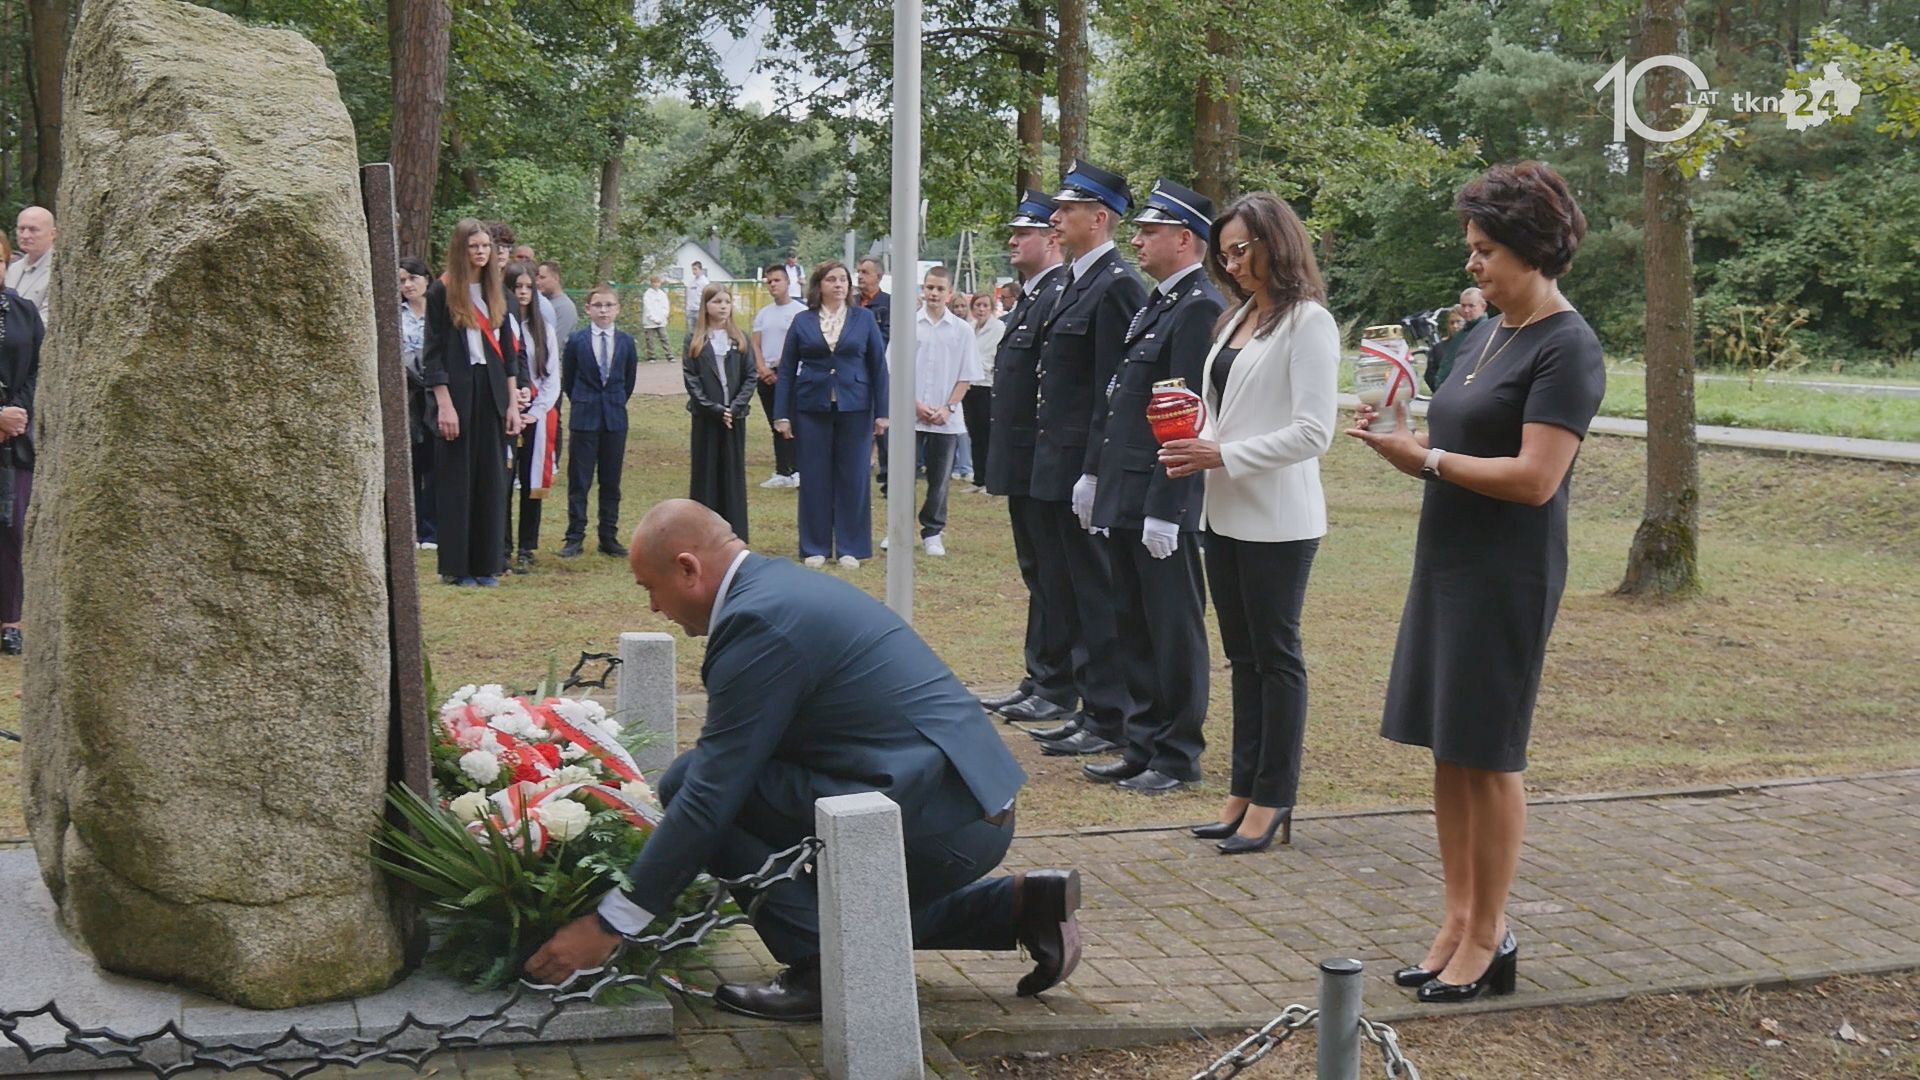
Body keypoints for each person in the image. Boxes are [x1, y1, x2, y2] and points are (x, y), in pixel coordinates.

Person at [523, 500, 1083, 1022]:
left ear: (688, 569)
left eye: (651, 587)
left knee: (697, 785)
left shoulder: (758, 623)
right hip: (962, 802)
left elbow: (711, 794)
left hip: (941, 825)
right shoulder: (773, 590)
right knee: (813, 887)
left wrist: (612, 921)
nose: (653, 606)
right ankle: (1019, 905)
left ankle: (821, 971)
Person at [1348, 161, 1605, 1004]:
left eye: (1485, 250)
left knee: (1489, 756)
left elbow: (1535, 477)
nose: (1473, 265)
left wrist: (1424, 458)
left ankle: (1492, 936)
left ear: (1533, 250)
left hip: (1507, 572)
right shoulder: (1485, 334)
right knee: (1449, 749)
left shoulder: (1567, 346)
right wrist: (1400, 433)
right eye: (1472, 249)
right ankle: (1456, 920)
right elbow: (1457, 437)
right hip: (1447, 557)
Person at [1160, 192, 1339, 850]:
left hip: (1281, 518)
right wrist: (1186, 436)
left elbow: (1314, 432)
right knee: (1242, 659)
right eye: (1224, 253)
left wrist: (1222, 452)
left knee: (1276, 658)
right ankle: (1241, 790)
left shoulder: (1307, 323)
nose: (1232, 264)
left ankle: (1274, 798)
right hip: (1225, 507)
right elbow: (1223, 408)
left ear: (1276, 244)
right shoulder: (1236, 318)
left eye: (1243, 250)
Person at [1082, 179, 1224, 796]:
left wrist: (1170, 506)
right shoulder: (1158, 303)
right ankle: (1141, 743)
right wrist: (1096, 476)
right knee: (1133, 624)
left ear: (1185, 239)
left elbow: (1183, 415)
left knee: (1172, 628)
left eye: (1150, 231)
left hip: (1159, 496)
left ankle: (1177, 752)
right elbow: (1119, 401)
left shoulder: (1198, 306)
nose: (1136, 239)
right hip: (1126, 491)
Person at [1020, 160, 1148, 760]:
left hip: (1082, 464)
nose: (1056, 218)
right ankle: (1091, 708)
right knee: (1071, 588)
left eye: (1068, 211)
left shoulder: (1118, 284)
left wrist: (1095, 470)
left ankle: (1108, 713)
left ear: (1100, 219)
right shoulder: (1076, 280)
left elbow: (1112, 390)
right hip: (1056, 459)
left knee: (1098, 592)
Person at [980, 191, 1078, 726]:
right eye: (1013, 233)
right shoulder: (1031, 296)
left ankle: (1058, 682)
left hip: (1047, 461)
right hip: (1024, 460)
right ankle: (1041, 675)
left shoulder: (1059, 293)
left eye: (1025, 233)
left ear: (1053, 238)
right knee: (1037, 572)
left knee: (1055, 575)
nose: (1014, 241)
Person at [422, 219, 526, 587]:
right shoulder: (442, 293)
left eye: (485, 246)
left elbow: (511, 357)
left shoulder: (502, 295)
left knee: (492, 479)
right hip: (458, 392)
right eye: (474, 247)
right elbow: (432, 355)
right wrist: (444, 405)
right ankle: (458, 566)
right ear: (460, 249)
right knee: (457, 479)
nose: (481, 253)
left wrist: (513, 403)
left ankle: (487, 564)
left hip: (494, 391)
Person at [772, 261, 889, 569]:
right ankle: (815, 546)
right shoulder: (802, 321)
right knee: (814, 476)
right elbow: (786, 370)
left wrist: (883, 413)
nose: (839, 284)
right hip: (812, 406)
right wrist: (782, 414)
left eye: (844, 280)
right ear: (819, 285)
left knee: (854, 476)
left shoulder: (863, 319)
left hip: (856, 406)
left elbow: (878, 367)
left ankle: (852, 547)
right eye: (832, 280)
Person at [894, 267, 979, 557]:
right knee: (902, 475)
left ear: (950, 293)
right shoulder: (907, 325)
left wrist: (948, 407)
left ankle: (933, 531)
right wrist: (914, 404)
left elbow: (966, 375)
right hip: (910, 414)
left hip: (947, 418)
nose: (933, 293)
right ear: (922, 289)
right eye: (929, 287)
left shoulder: (962, 330)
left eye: (940, 289)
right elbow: (895, 369)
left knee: (940, 478)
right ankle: (898, 529)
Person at [559, 285, 640, 558]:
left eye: (608, 305)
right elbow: (568, 379)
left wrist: (614, 402)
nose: (603, 310)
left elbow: (628, 380)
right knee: (579, 481)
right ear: (588, 309)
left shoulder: (627, 342)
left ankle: (608, 535)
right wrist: (584, 401)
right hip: (584, 417)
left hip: (614, 418)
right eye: (598, 305)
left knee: (611, 480)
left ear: (617, 309)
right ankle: (574, 536)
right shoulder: (576, 341)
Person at [684, 284, 757, 540]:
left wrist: (735, 407)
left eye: (726, 301)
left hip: (734, 418)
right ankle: (702, 533)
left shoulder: (740, 339)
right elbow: (691, 379)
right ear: (706, 306)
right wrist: (713, 408)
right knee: (706, 474)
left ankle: (735, 533)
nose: (723, 306)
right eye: (716, 302)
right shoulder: (694, 340)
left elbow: (750, 376)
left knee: (732, 474)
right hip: (707, 418)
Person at [505, 261, 564, 570]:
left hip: (537, 414)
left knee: (531, 482)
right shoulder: (501, 325)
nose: (524, 293)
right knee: (504, 481)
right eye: (518, 287)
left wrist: (537, 411)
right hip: (506, 411)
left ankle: (527, 545)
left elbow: (552, 378)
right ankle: (502, 545)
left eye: (529, 287)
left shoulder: (545, 330)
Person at [0, 285, 45, 656]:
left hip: (14, 440)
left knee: (13, 530)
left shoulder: (23, 310)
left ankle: (11, 622)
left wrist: (15, 414)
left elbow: (39, 366)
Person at [751, 263, 804, 489]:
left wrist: (783, 368)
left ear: (787, 282)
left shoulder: (799, 312)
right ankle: (782, 470)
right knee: (776, 423)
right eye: (769, 281)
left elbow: (800, 345)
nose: (773, 285)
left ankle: (799, 469)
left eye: (777, 280)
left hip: (792, 375)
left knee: (794, 422)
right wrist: (762, 368)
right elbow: (756, 343)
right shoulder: (764, 314)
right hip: (767, 375)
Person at [399, 257, 437, 550]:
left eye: (413, 278)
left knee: (435, 464)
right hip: (407, 394)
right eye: (402, 280)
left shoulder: (440, 312)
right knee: (410, 461)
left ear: (427, 279)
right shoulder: (395, 315)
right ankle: (409, 527)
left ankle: (432, 528)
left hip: (436, 395)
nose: (408, 285)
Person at [960, 290, 1004, 493]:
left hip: (987, 385)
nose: (981, 309)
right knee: (975, 434)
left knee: (988, 435)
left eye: (985, 305)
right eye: (978, 305)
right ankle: (978, 478)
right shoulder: (969, 327)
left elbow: (992, 358)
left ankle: (990, 481)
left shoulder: (998, 328)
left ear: (991, 307)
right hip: (969, 385)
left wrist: (974, 366)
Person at [1427, 289, 1487, 391]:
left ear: (1483, 306)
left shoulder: (1486, 331)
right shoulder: (1464, 332)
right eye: (1463, 306)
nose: (1466, 310)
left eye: (1471, 306)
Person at [6, 207, 55, 321]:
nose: (25, 235)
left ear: (53, 234)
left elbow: (48, 322)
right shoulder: (12, 269)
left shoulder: (58, 271)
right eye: (21, 229)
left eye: (33, 230)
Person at [537, 261, 578, 343]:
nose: (537, 282)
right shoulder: (542, 302)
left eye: (542, 278)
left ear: (556, 278)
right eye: (536, 278)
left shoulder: (565, 307)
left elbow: (557, 342)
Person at [641, 275, 672, 364]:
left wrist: (662, 317)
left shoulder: (662, 294)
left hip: (661, 321)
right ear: (651, 283)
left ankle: (669, 355)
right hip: (650, 321)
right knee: (650, 340)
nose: (656, 284)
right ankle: (651, 356)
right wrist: (653, 318)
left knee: (664, 338)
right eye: (654, 282)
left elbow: (666, 307)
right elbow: (648, 308)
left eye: (658, 282)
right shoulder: (647, 294)